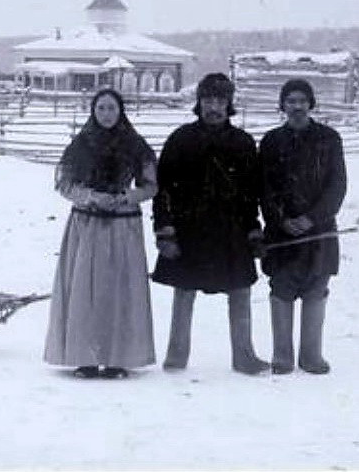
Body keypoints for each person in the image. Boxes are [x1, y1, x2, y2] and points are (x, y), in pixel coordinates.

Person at [151, 73, 268, 375]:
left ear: (229, 104)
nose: (213, 106)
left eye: (220, 100)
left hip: (231, 230)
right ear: (199, 103)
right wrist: (165, 232)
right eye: (207, 100)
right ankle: (176, 358)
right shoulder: (181, 139)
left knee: (241, 291)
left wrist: (254, 230)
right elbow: (162, 189)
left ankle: (244, 356)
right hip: (190, 229)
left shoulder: (242, 143)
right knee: (184, 292)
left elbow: (250, 193)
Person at [44, 87, 159, 379]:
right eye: (101, 109)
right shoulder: (81, 145)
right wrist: (90, 196)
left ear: (120, 111)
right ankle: (85, 357)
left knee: (119, 289)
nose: (107, 114)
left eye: (112, 108)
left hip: (123, 225)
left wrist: (126, 197)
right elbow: (64, 184)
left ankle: (119, 357)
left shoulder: (135, 145)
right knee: (86, 289)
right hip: (88, 224)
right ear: (93, 112)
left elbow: (150, 185)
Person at [259, 78, 347, 375]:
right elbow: (265, 187)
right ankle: (282, 355)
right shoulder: (271, 141)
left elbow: (337, 185)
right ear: (282, 105)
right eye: (290, 101)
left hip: (319, 230)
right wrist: (281, 219)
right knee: (282, 286)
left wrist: (312, 218)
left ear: (311, 104)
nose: (296, 106)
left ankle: (311, 355)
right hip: (282, 231)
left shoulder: (329, 139)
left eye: (301, 100)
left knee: (316, 286)